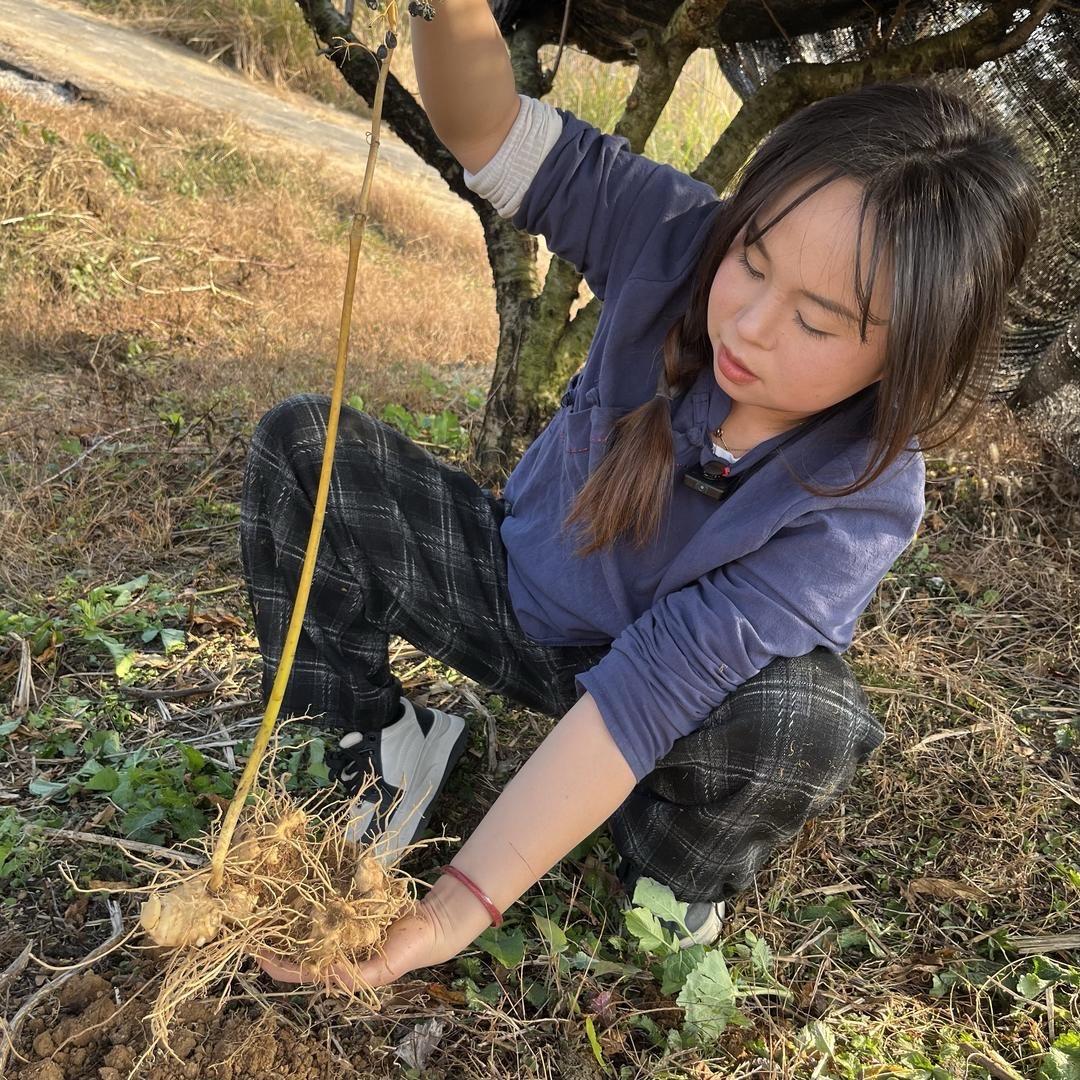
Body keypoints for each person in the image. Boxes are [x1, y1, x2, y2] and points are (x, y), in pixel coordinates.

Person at [245, 0, 1039, 990]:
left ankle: (668, 873)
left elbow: (652, 688)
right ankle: (380, 747)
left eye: (820, 322)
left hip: (657, 691)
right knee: (305, 450)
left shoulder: (858, 499)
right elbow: (488, 128)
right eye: (752, 259)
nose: (749, 325)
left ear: (906, 358)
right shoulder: (670, 236)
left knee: (807, 720)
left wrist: (455, 909)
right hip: (513, 592)